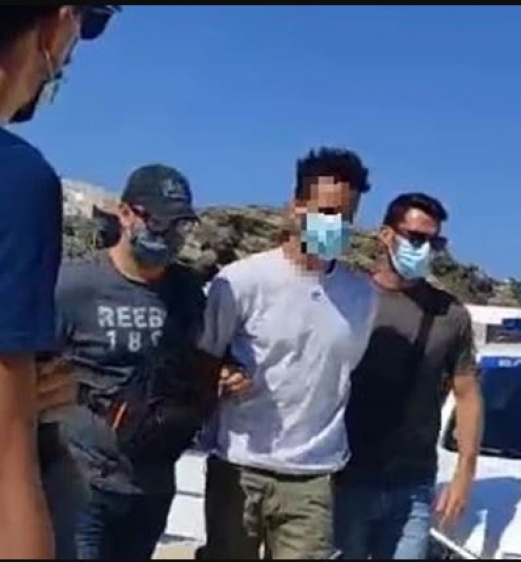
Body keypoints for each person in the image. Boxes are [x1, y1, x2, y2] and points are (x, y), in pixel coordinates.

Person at [196, 147, 379, 559]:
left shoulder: (362, 296)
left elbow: (345, 368)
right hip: (239, 466)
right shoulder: (241, 281)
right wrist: (222, 375)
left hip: (313, 475)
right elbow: (202, 360)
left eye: (346, 217)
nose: (336, 225)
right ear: (296, 208)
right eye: (327, 212)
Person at [0, 5, 119, 558]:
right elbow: (5, 459)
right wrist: (24, 400)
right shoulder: (17, 180)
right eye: (90, 25)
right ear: (59, 22)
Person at [53, 164, 209, 559]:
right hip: (82, 481)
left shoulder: (189, 293)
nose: (167, 234)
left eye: (179, 225)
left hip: (152, 487)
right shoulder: (73, 286)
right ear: (125, 214)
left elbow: (204, 365)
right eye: (156, 221)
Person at [334, 192, 483, 559]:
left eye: (435, 242)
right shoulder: (348, 297)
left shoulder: (450, 314)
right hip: (344, 477)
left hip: (412, 481)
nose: (425, 250)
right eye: (416, 238)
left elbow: (467, 394)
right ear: (386, 235)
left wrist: (464, 474)